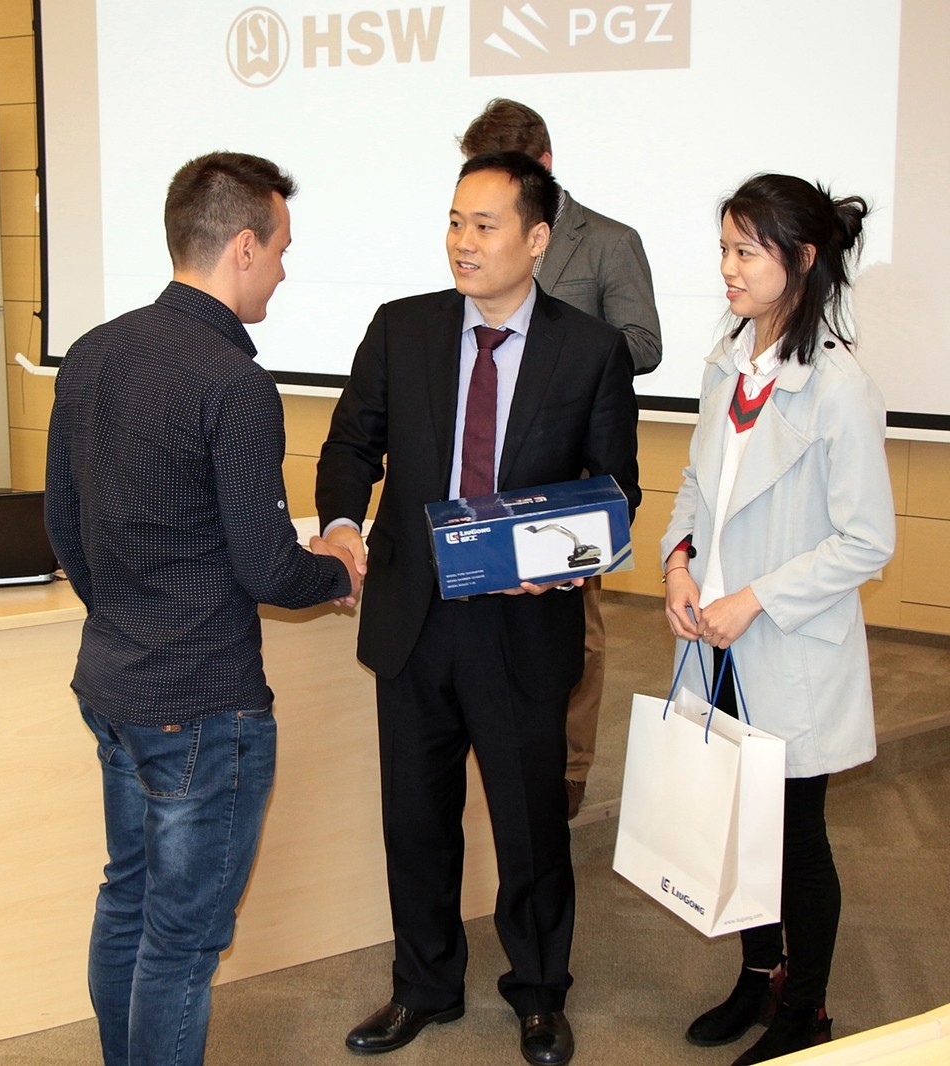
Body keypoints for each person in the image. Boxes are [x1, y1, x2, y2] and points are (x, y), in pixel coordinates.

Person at [317, 150, 640, 1066]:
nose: (463, 241)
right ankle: (423, 986)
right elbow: (352, 445)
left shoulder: (590, 350)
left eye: (485, 225)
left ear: (537, 240)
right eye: (455, 221)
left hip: (521, 622)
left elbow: (616, 487)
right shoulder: (402, 329)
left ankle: (538, 992)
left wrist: (564, 559)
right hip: (414, 616)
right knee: (416, 820)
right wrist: (341, 526)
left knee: (529, 826)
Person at [44, 151, 361, 1066]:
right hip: (201, 706)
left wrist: (130, 616)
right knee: (181, 945)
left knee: (128, 901)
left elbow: (63, 523)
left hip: (113, 684)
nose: (286, 271)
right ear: (244, 248)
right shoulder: (234, 383)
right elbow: (266, 566)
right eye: (282, 250)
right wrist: (337, 571)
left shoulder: (93, 351)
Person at [659, 174, 895, 1065]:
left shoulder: (838, 386)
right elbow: (697, 485)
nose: (727, 267)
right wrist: (677, 564)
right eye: (724, 248)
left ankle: (808, 1009)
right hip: (714, 641)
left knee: (796, 838)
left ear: (800, 259)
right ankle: (759, 977)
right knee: (738, 824)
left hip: (785, 643)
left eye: (745, 251)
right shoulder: (728, 362)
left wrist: (752, 599)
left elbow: (867, 541)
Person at [459, 97, 662, 820]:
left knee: (578, 626)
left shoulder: (608, 240)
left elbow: (644, 342)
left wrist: (565, 353)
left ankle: (570, 764)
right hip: (487, 456)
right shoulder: (479, 239)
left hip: (569, 471)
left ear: (543, 164)